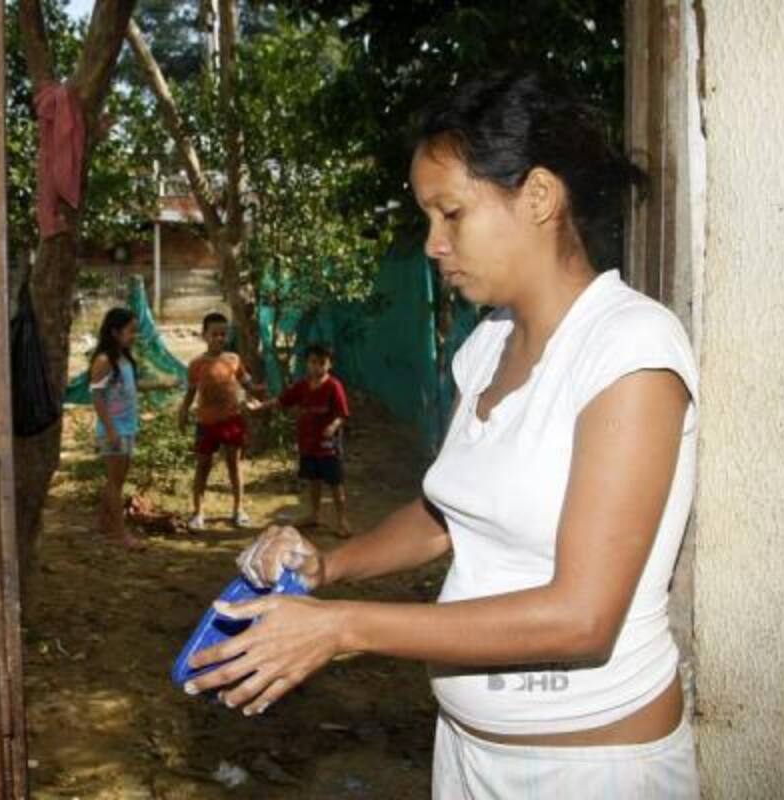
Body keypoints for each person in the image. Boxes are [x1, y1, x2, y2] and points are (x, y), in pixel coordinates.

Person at [181, 72, 700, 798]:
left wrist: (341, 629)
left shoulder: (629, 350)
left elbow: (582, 617)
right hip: (466, 756)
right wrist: (328, 567)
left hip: (588, 771)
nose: (433, 243)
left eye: (450, 213)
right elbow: (444, 517)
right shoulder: (487, 345)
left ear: (541, 198)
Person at [179, 312, 263, 530]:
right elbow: (190, 393)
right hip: (206, 423)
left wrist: (258, 392)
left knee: (235, 465)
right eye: (214, 334)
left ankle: (239, 510)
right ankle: (198, 513)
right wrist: (183, 412)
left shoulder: (233, 360)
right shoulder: (196, 364)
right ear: (204, 335)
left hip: (231, 420)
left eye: (223, 334)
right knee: (203, 466)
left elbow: (247, 384)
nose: (219, 338)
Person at [259, 344, 352, 536]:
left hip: (328, 446)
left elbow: (342, 415)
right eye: (312, 362)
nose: (316, 367)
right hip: (308, 443)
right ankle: (314, 515)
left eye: (321, 363)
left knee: (335, 483)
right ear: (306, 363)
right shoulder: (301, 386)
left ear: (329, 364)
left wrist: (333, 427)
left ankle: (342, 520)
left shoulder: (334, 386)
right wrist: (260, 406)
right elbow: (282, 400)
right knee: (313, 480)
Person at [89, 308, 144, 550]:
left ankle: (102, 527)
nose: (135, 336)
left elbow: (129, 389)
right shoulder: (103, 361)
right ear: (114, 332)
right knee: (114, 482)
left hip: (127, 427)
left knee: (117, 481)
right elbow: (98, 398)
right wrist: (111, 429)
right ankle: (121, 534)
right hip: (114, 430)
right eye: (131, 331)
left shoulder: (125, 359)